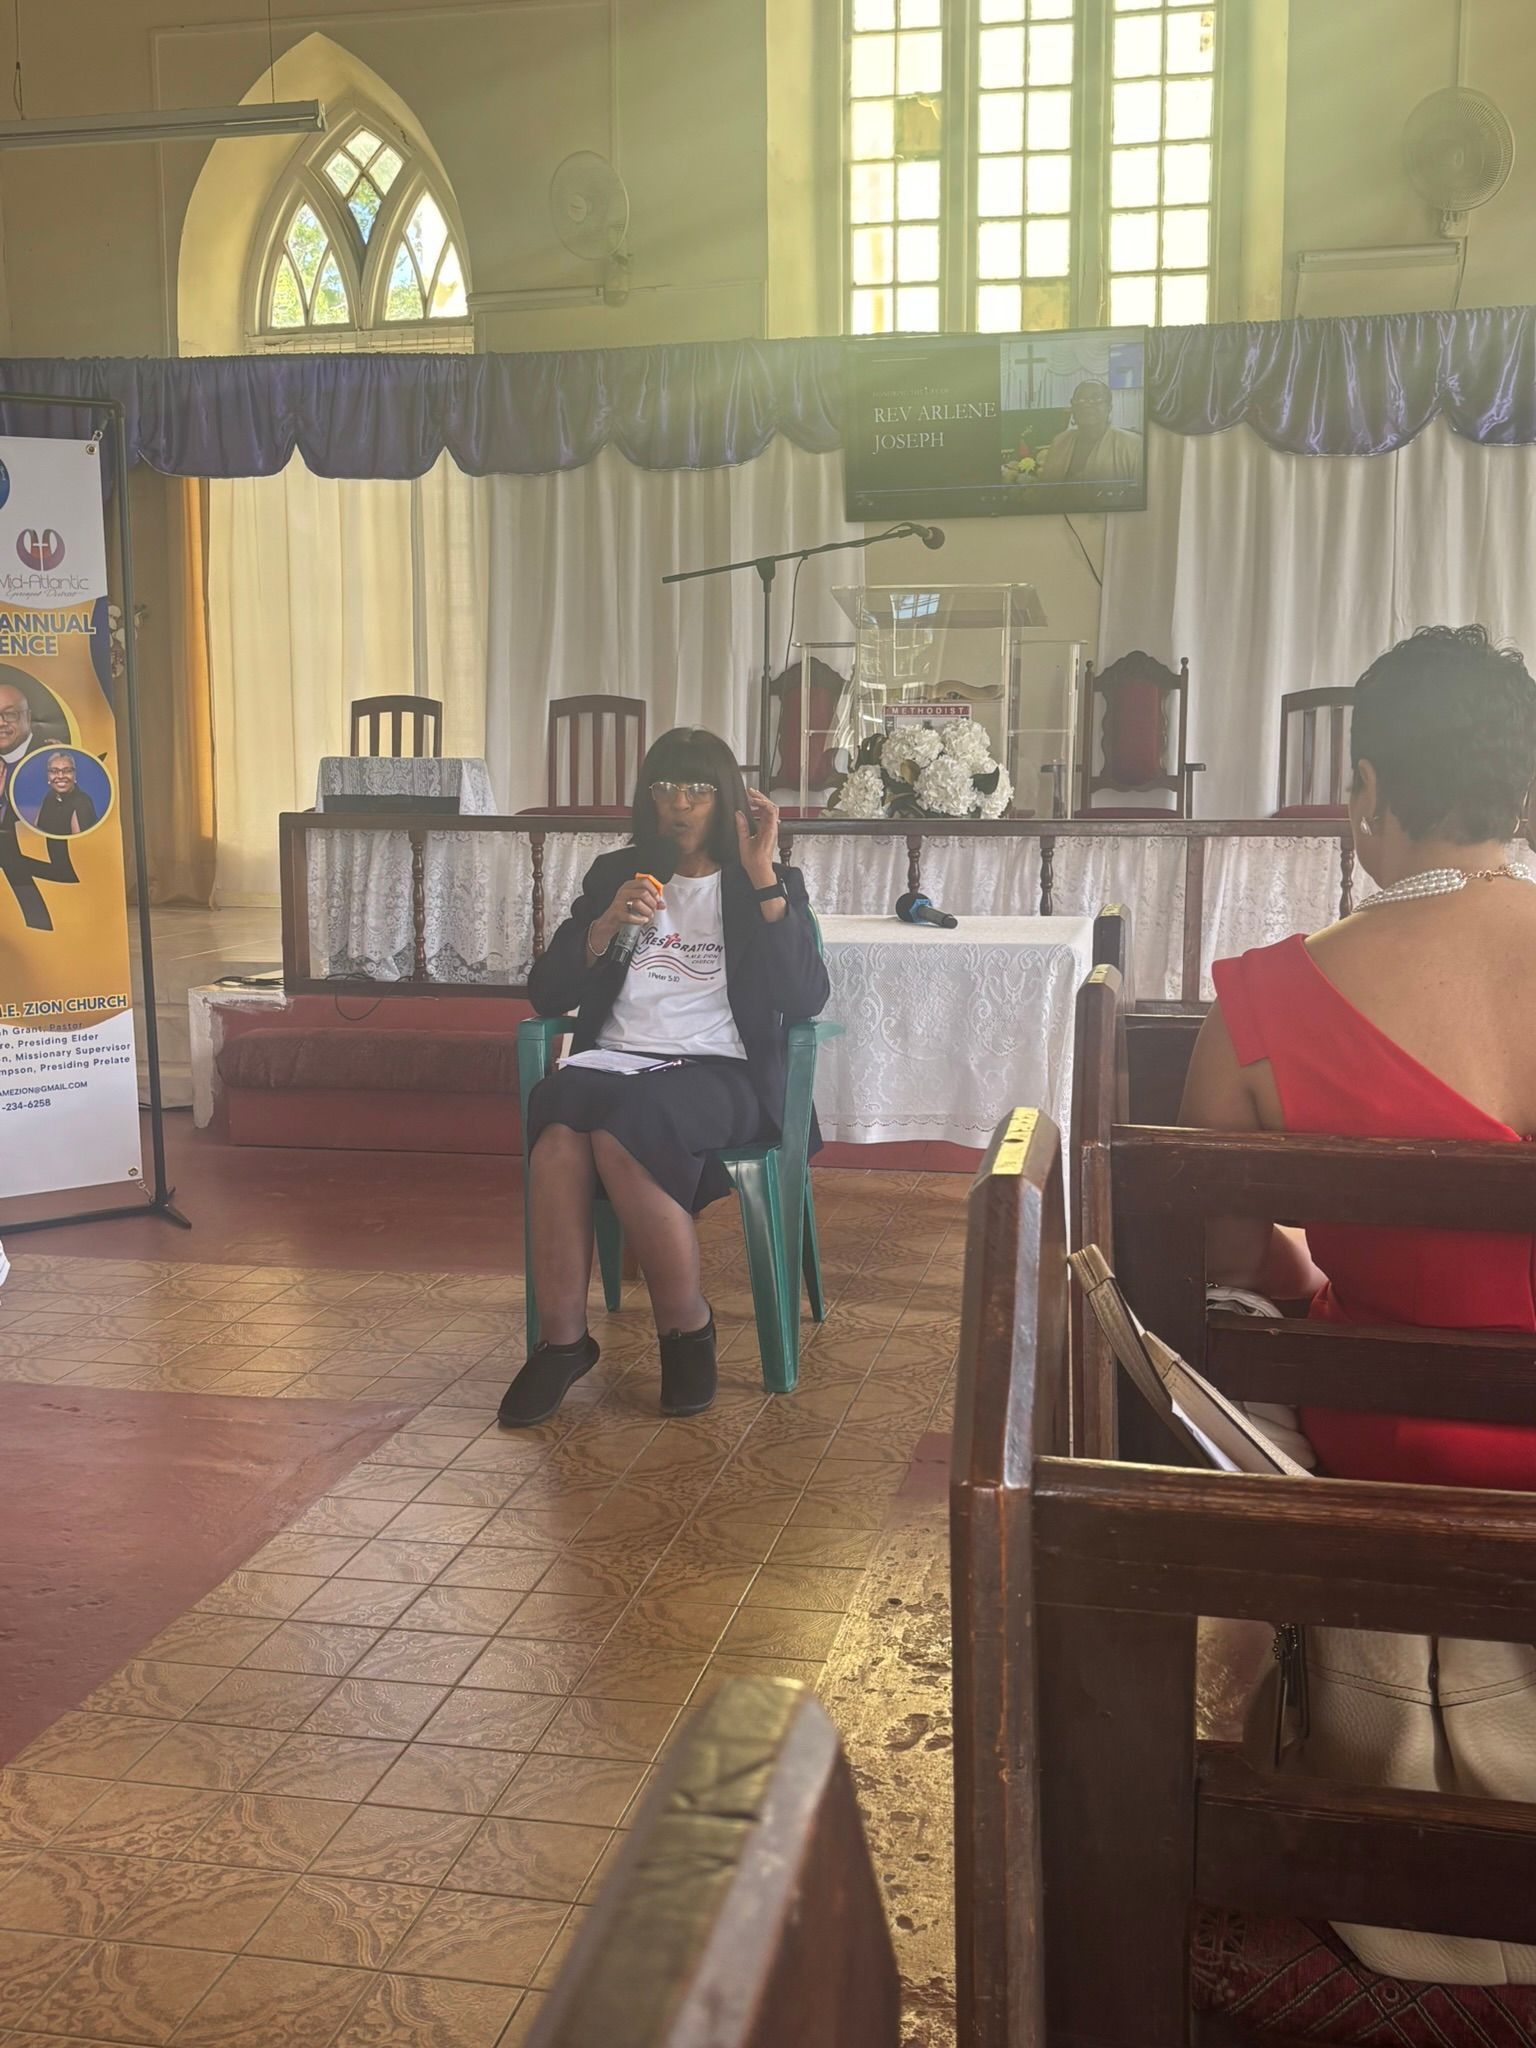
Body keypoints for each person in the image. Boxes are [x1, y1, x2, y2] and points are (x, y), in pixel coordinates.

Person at [1180, 625, 1536, 1487]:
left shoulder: (1258, 1005)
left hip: (1379, 1443)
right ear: (1518, 795)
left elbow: (1227, 1268)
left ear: (1368, 789)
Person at [501, 726, 830, 1429]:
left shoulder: (762, 882)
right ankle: (562, 1342)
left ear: (729, 801)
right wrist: (602, 927)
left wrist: (765, 877)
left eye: (698, 789)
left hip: (721, 1070)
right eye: (664, 787)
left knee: (625, 1126)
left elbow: (805, 998)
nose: (678, 803)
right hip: (617, 1060)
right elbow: (546, 991)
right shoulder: (616, 876)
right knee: (558, 1123)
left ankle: (686, 1326)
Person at [1036, 381, 1143, 484]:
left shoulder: (1133, 445)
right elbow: (1046, 488)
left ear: (1109, 408)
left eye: (1096, 399)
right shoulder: (1059, 441)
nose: (1086, 404)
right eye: (1080, 399)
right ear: (1072, 406)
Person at [32, 753, 97, 836]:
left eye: (67, 771)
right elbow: (36, 829)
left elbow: (79, 842)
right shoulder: (50, 796)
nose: (60, 776)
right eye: (54, 771)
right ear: (48, 776)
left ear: (74, 775)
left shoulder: (82, 802)